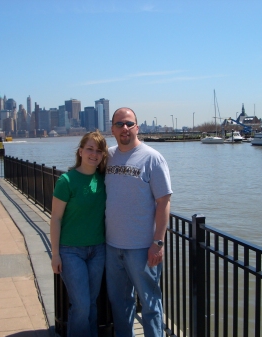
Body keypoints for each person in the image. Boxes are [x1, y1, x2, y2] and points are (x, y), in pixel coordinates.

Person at [105, 107, 172, 337]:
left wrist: (158, 242)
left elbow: (164, 201)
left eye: (129, 123)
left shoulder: (153, 158)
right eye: (119, 124)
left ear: (137, 127)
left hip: (143, 249)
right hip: (112, 247)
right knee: (121, 304)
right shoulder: (108, 156)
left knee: (151, 305)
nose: (124, 128)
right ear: (112, 129)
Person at [50, 130, 108, 337]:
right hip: (71, 251)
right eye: (90, 149)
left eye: (99, 151)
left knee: (91, 303)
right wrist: (55, 254)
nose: (94, 154)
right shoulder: (66, 180)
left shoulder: (104, 180)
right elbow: (55, 218)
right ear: (81, 151)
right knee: (81, 304)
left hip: (98, 249)